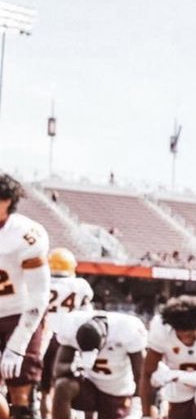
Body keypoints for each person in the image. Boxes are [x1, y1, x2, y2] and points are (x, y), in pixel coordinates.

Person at [0, 174, 51, 419]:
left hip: (19, 314)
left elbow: (40, 294)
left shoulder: (24, 233)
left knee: (21, 394)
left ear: (7, 201)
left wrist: (17, 345)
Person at [51, 310, 147, 419]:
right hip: (89, 386)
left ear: (105, 338)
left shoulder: (127, 329)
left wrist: (137, 401)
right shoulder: (73, 325)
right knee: (62, 386)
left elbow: (140, 372)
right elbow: (58, 369)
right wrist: (76, 365)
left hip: (117, 390)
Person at [40, 247, 96, 417]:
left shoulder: (42, 282)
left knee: (45, 390)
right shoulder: (80, 285)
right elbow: (88, 315)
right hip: (70, 340)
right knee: (79, 382)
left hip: (45, 337)